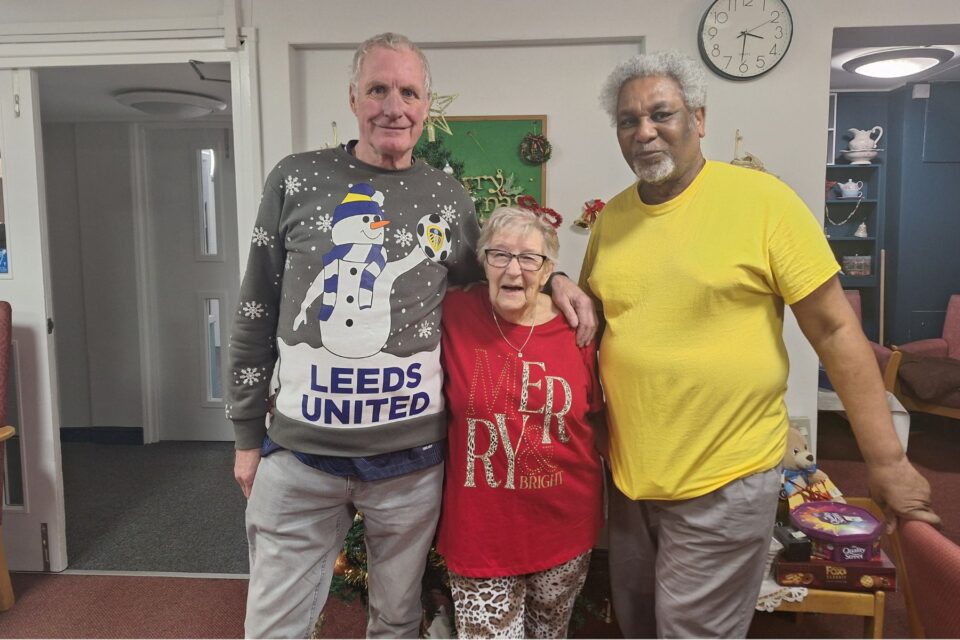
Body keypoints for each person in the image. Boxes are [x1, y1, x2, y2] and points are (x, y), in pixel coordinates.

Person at [227, 33, 595, 639]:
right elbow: (255, 307)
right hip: (300, 458)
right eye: (378, 89)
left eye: (408, 92)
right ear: (353, 98)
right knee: (273, 624)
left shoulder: (447, 198)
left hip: (410, 467)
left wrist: (552, 278)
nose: (393, 107)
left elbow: (491, 280)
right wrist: (246, 435)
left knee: (397, 619)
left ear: (426, 106)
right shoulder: (296, 179)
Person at [580, 50, 941, 639]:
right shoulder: (611, 220)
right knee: (638, 624)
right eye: (628, 120)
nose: (644, 132)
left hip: (725, 476)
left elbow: (834, 330)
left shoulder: (763, 202)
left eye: (661, 114)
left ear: (699, 118)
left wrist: (886, 460)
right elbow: (596, 320)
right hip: (630, 479)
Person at [437, 207, 605, 639]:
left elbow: (595, 417)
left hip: (565, 527)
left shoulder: (577, 327)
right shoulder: (453, 312)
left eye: (530, 258)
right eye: (500, 255)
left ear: (548, 270)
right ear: (483, 262)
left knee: (550, 634)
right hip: (481, 536)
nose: (514, 269)